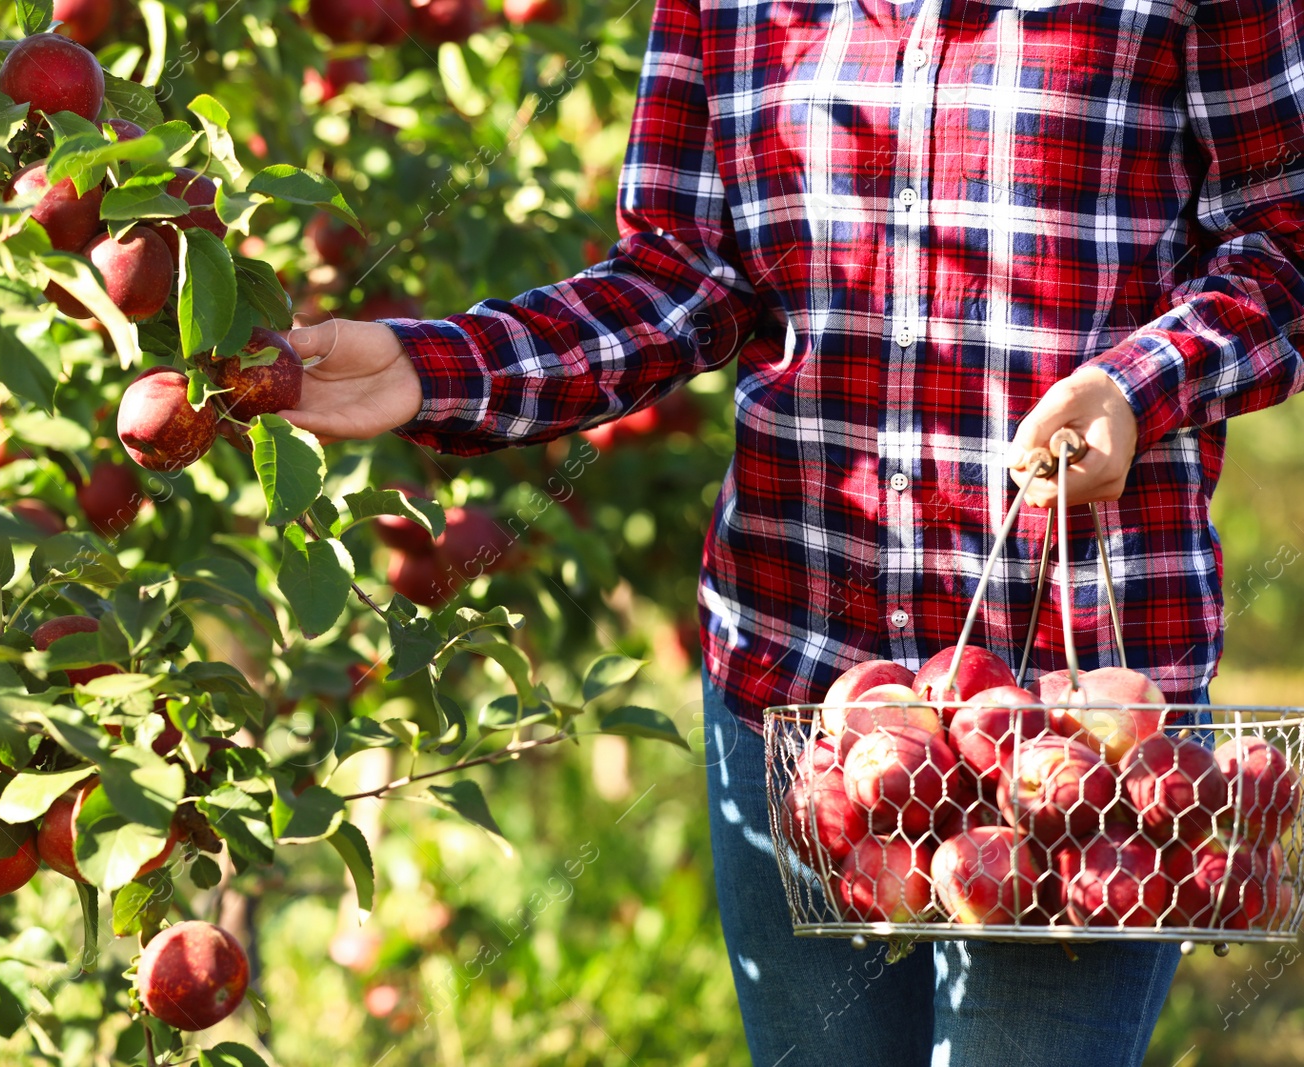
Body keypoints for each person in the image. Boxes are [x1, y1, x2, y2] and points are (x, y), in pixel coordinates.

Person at [277, 0, 1304, 1062]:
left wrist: (1136, 386)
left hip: (1074, 716)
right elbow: (680, 273)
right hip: (804, 691)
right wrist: (435, 366)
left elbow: (1281, 243)